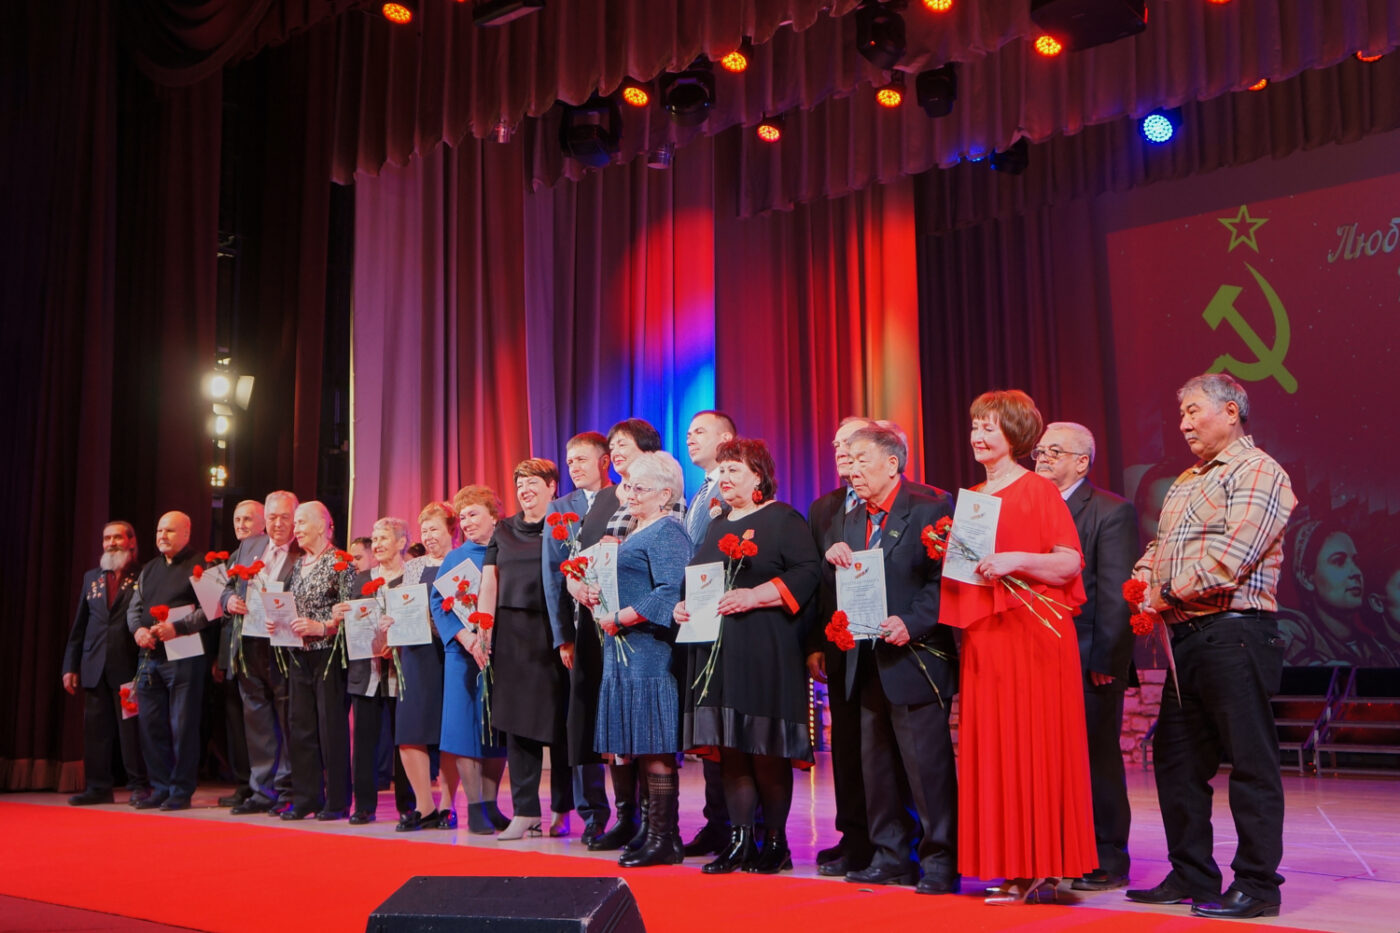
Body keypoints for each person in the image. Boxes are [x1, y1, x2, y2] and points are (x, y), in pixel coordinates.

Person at [1127, 373, 1295, 920]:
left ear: (1230, 411)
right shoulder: (1186, 480)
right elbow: (1161, 547)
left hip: (1235, 632)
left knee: (1250, 763)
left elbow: (1232, 558)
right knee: (1176, 762)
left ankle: (1258, 886)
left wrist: (1164, 591)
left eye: (1194, 411)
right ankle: (1192, 874)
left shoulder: (1258, 470)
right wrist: (1143, 576)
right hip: (1185, 638)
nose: (1184, 424)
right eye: (1181, 415)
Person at [936, 392, 1095, 905]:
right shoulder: (974, 498)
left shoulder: (1039, 489)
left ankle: (1041, 866)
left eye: (990, 428)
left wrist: (1014, 560)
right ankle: (1010, 864)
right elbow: (971, 572)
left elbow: (1068, 562)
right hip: (987, 634)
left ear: (1016, 435)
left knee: (1036, 746)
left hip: (1034, 634)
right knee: (995, 749)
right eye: (975, 427)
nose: (978, 437)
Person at [825, 426, 960, 895]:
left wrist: (912, 622)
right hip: (865, 658)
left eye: (862, 459)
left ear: (892, 463)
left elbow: (947, 580)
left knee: (927, 769)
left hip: (916, 657)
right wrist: (832, 556)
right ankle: (890, 856)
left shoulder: (930, 507)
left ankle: (941, 860)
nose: (852, 468)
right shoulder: (850, 518)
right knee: (876, 766)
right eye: (849, 459)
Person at [677, 439, 821, 873]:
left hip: (765, 649)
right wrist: (684, 605)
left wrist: (755, 596)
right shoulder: (717, 525)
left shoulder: (783, 518)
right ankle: (740, 840)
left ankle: (776, 843)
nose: (723, 478)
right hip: (719, 652)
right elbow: (700, 578)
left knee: (765, 746)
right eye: (720, 470)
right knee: (731, 747)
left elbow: (808, 572)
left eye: (733, 470)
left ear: (758, 475)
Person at [1034, 421, 1138, 890]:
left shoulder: (1110, 511)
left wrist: (1106, 661)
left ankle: (1107, 856)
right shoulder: (1030, 508)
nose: (1043, 459)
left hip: (1087, 660)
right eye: (1039, 452)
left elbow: (1116, 595)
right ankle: (1060, 850)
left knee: (1096, 759)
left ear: (1082, 462)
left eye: (1054, 452)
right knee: (1050, 762)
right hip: (1037, 658)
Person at [577, 451, 691, 867]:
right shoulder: (635, 529)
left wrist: (622, 616)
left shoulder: (668, 531)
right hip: (621, 650)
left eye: (640, 488)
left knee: (655, 746)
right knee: (636, 746)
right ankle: (648, 832)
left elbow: (670, 590)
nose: (631, 494)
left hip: (649, 652)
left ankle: (665, 838)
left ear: (665, 494)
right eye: (629, 486)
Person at [477, 458, 574, 839]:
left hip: (552, 633)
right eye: (519, 483)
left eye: (533, 482)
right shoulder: (503, 530)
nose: (525, 489)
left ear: (552, 487)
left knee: (558, 723)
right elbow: (490, 581)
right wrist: (484, 629)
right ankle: (526, 811)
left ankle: (563, 808)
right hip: (511, 636)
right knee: (516, 725)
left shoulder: (565, 526)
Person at [804, 417, 878, 876]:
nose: (841, 450)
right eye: (836, 444)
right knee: (846, 746)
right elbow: (817, 582)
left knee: (883, 748)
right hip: (839, 641)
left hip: (887, 638)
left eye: (851, 442)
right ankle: (853, 837)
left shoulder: (907, 502)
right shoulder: (824, 507)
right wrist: (815, 644)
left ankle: (894, 839)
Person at [542, 431, 615, 845]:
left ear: (605, 461)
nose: (574, 467)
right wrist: (563, 637)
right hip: (580, 629)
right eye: (569, 461)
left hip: (621, 626)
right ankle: (592, 812)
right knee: (582, 720)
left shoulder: (624, 497)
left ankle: (632, 809)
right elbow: (553, 578)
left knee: (618, 716)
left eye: (582, 459)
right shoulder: (560, 509)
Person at [126, 511, 217, 811]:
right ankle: (160, 786)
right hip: (150, 655)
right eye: (159, 531)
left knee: (183, 726)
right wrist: (138, 630)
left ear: (187, 534)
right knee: (151, 726)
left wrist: (177, 628)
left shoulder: (203, 564)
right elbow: (134, 608)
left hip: (185, 655)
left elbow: (213, 609)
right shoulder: (149, 568)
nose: (162, 536)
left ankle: (180, 790)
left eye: (170, 531)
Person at [677, 410, 738, 858]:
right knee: (707, 727)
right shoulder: (698, 493)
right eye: (688, 432)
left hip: (725, 615)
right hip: (696, 616)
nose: (690, 438)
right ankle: (718, 822)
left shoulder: (735, 488)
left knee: (727, 726)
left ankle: (743, 824)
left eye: (700, 431)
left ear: (726, 438)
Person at [432, 485, 509, 834]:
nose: (466, 522)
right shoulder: (455, 558)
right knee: (464, 729)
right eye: (462, 517)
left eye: (473, 514)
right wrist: (464, 637)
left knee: (495, 728)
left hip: (500, 653)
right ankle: (475, 807)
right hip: (462, 656)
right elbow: (439, 604)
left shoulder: (508, 551)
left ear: (494, 516)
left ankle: (491, 805)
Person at [221, 490, 299, 815]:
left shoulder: (303, 550)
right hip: (249, 644)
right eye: (272, 517)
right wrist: (229, 601)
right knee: (257, 720)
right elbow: (227, 586)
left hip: (283, 646)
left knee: (288, 719)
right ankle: (262, 790)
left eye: (285, 517)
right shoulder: (250, 545)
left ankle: (287, 789)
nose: (277, 524)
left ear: (295, 519)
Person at [62, 521, 149, 806]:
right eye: (106, 538)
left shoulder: (143, 575)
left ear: (131, 542)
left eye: (117, 538)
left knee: (131, 731)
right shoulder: (92, 578)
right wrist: (70, 666)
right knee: (96, 731)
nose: (111, 543)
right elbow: (80, 625)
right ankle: (98, 787)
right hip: (93, 665)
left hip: (128, 666)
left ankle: (139, 785)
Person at [282, 500, 353, 821]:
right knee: (300, 727)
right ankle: (306, 797)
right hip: (299, 654)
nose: (295, 528)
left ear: (322, 525)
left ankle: (336, 801)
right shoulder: (298, 565)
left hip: (329, 653)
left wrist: (322, 627)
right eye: (295, 523)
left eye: (301, 522)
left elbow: (351, 613)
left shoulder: (340, 562)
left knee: (330, 727)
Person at [391, 504, 453, 829]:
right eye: (424, 530)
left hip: (451, 652)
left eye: (434, 529)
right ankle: (424, 806)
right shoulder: (414, 566)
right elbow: (405, 605)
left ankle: (447, 806)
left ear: (451, 531)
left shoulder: (461, 561)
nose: (428, 536)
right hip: (415, 654)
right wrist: (392, 620)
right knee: (410, 730)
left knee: (448, 732)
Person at [212, 500, 262, 809]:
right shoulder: (233, 557)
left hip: (257, 652)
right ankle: (243, 783)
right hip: (232, 652)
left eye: (247, 519)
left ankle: (259, 786)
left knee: (256, 724)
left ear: (263, 523)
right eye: (236, 519)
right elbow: (222, 607)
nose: (241, 525)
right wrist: (220, 659)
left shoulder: (268, 555)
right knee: (235, 723)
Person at [1279, 517, 1372, 666]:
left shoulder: (1378, 650)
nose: (1355, 572)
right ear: (1306, 578)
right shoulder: (1294, 633)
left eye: (1356, 561)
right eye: (1339, 561)